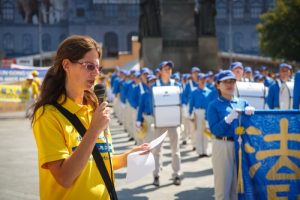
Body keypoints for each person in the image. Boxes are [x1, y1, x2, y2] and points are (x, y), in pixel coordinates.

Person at [30, 35, 149, 200]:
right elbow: (64, 177)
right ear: (66, 65)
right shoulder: (47, 115)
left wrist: (128, 157)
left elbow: (97, 160)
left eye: (98, 68)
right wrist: (93, 130)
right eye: (89, 66)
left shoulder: (94, 108)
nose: (95, 73)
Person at [207, 70, 255, 200]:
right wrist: (228, 119)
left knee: (236, 188)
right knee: (222, 188)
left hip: (239, 146)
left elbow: (250, 126)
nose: (230, 85)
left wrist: (253, 114)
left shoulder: (242, 102)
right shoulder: (213, 105)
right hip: (222, 145)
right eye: (226, 82)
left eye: (232, 81)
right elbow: (215, 130)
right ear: (218, 85)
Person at [151, 60, 182, 186]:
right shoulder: (155, 85)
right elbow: (150, 103)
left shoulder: (177, 85)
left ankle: (177, 174)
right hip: (160, 122)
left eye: (170, 69)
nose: (168, 71)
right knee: (157, 150)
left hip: (174, 122)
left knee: (176, 150)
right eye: (165, 69)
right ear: (160, 72)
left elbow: (181, 101)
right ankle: (156, 175)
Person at [188, 73, 211, 157]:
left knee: (205, 132)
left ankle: (205, 150)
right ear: (198, 81)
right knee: (198, 132)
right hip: (197, 112)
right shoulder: (194, 91)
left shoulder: (209, 91)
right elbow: (191, 104)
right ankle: (200, 151)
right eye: (201, 80)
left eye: (204, 79)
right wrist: (190, 114)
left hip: (207, 113)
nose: (203, 81)